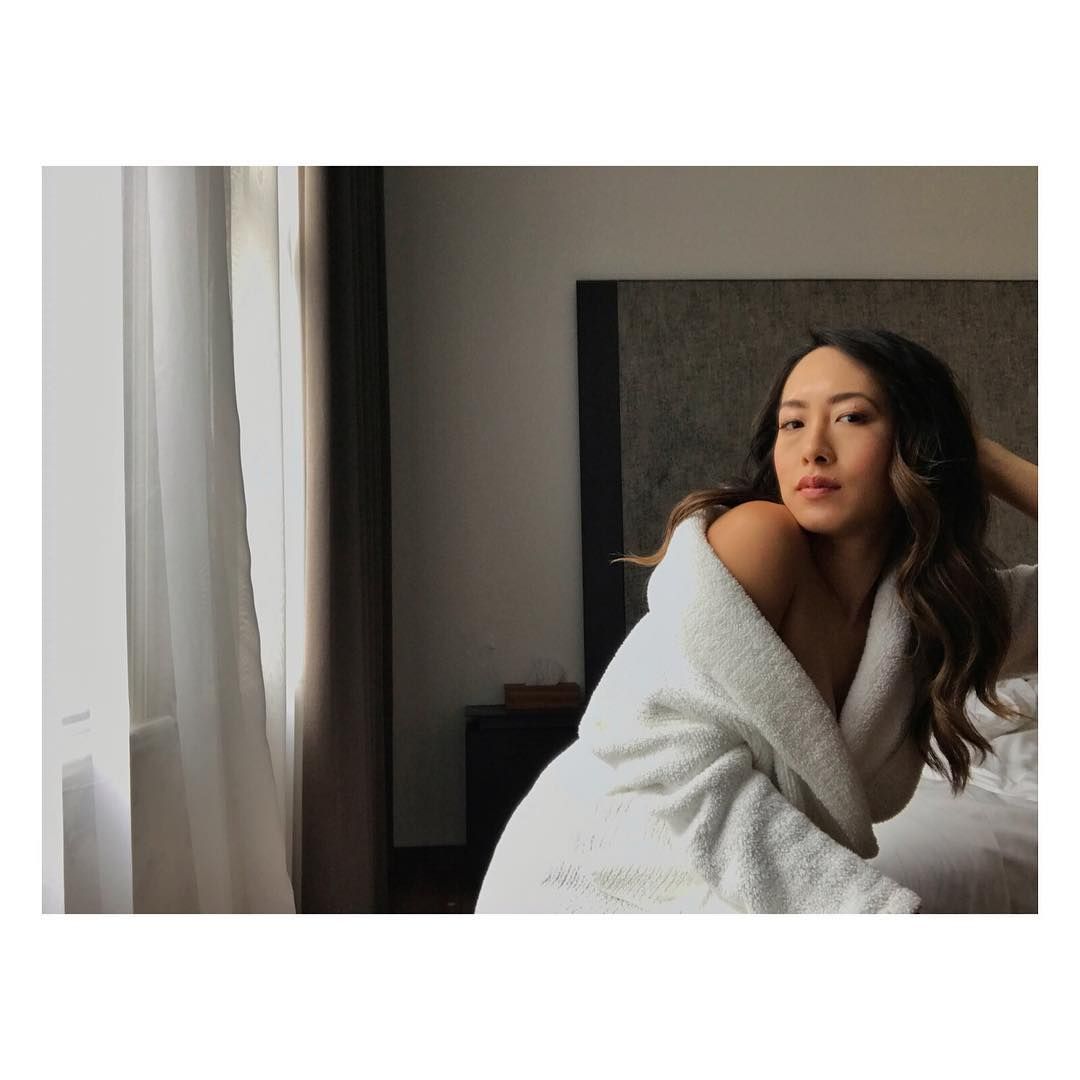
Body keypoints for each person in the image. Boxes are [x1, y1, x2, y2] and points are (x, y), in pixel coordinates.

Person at [475, 327, 1037, 914]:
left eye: (851, 417)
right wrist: (861, 911)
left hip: (733, 887)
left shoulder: (930, 612)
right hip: (598, 868)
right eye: (792, 423)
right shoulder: (760, 539)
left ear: (916, 441)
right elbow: (661, 746)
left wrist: (981, 455)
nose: (813, 448)